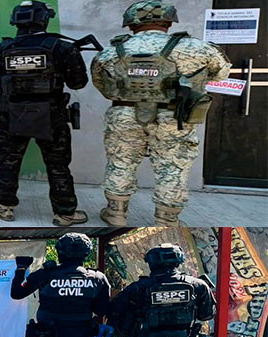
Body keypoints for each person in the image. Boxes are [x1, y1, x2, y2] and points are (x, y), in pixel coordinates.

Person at [91, 0, 231, 226]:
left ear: (130, 25)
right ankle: (167, 220)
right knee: (173, 165)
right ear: (168, 21)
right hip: (174, 116)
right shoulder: (196, 48)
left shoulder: (110, 52)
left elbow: (103, 87)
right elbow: (220, 73)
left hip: (124, 113)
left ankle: (116, 213)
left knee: (121, 160)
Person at [0, 0, 90, 226]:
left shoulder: (2, 49)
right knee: (57, 165)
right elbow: (78, 83)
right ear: (45, 19)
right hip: (52, 117)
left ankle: (4, 205)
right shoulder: (62, 47)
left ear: (16, 21)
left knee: (8, 161)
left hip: (11, 116)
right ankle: (65, 212)